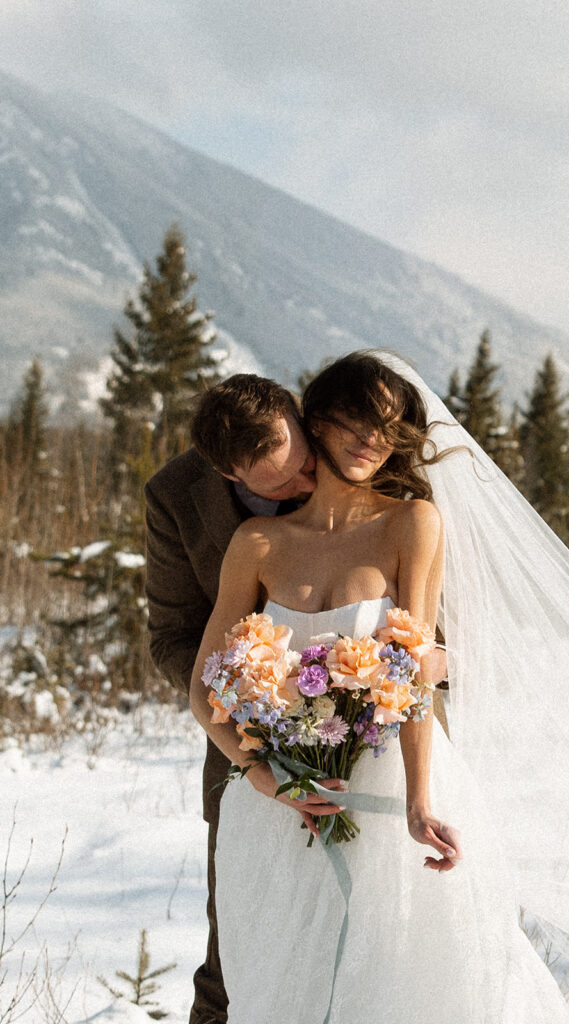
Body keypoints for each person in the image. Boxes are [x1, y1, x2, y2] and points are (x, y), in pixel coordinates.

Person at [189, 352, 569, 1022]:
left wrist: (419, 801)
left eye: (387, 423)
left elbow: (408, 674)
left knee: (401, 986)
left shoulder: (411, 523)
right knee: (289, 987)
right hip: (278, 810)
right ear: (313, 420)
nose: (372, 436)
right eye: (355, 418)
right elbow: (207, 691)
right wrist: (262, 777)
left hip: (380, 795)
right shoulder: (256, 542)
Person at [145, 373, 319, 1024]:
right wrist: (259, 702)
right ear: (227, 475)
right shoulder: (173, 496)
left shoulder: (345, 450)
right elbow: (172, 637)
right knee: (235, 963)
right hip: (244, 758)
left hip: (380, 742)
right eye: (280, 486)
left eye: (303, 465)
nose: (307, 486)